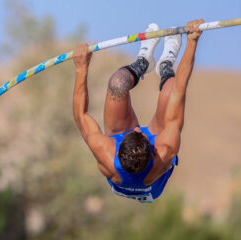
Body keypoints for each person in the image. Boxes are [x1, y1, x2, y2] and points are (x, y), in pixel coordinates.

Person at [72, 19, 204, 203]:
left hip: (132, 164)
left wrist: (81, 67)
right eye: (140, 133)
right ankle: (165, 66)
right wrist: (192, 42)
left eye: (135, 132)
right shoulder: (164, 152)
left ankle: (143, 61)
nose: (137, 128)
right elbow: (180, 90)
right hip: (151, 176)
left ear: (117, 152)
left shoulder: (105, 153)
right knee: (170, 90)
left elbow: (81, 115)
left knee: (118, 83)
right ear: (152, 151)